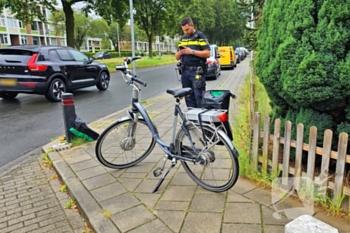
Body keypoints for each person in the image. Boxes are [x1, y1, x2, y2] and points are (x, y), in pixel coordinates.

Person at [175, 17, 210, 108]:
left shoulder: (200, 36)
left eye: (187, 29)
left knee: (199, 96)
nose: (186, 32)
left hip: (197, 72)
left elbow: (207, 53)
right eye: (184, 30)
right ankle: (192, 118)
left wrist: (192, 52)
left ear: (192, 25)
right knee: (188, 97)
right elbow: (176, 57)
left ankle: (200, 119)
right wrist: (179, 53)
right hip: (185, 72)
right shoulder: (183, 39)